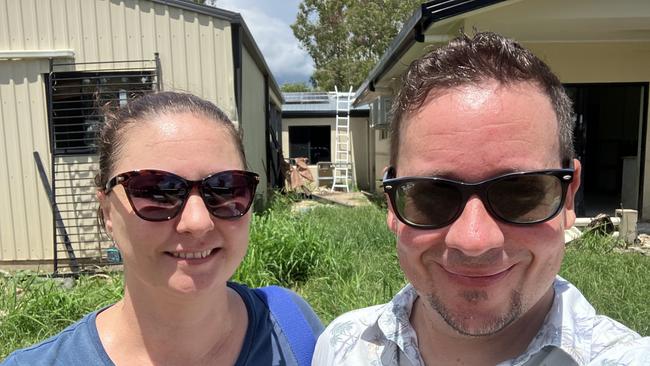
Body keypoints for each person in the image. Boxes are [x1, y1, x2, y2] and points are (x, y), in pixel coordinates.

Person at [313, 32, 650, 365]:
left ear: (569, 197)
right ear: (392, 204)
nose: (474, 241)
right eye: (434, 195)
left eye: (520, 193)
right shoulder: (342, 347)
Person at [3, 92, 323, 365]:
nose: (197, 222)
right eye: (156, 191)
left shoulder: (293, 327)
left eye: (225, 188)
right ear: (107, 212)